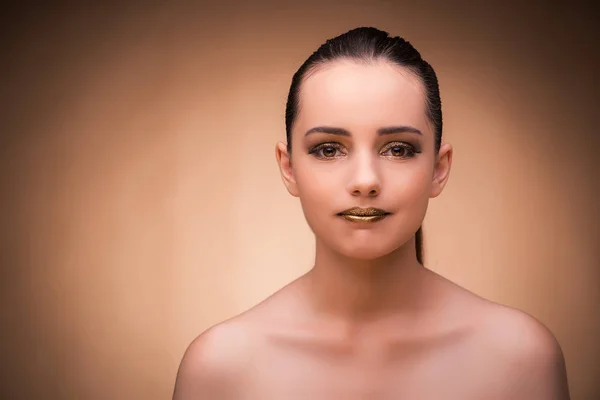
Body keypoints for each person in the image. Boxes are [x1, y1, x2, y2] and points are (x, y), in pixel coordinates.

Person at [173, 27, 570, 399]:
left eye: (398, 149)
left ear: (439, 168)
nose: (365, 181)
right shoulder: (220, 369)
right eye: (329, 149)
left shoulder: (521, 359)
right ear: (288, 166)